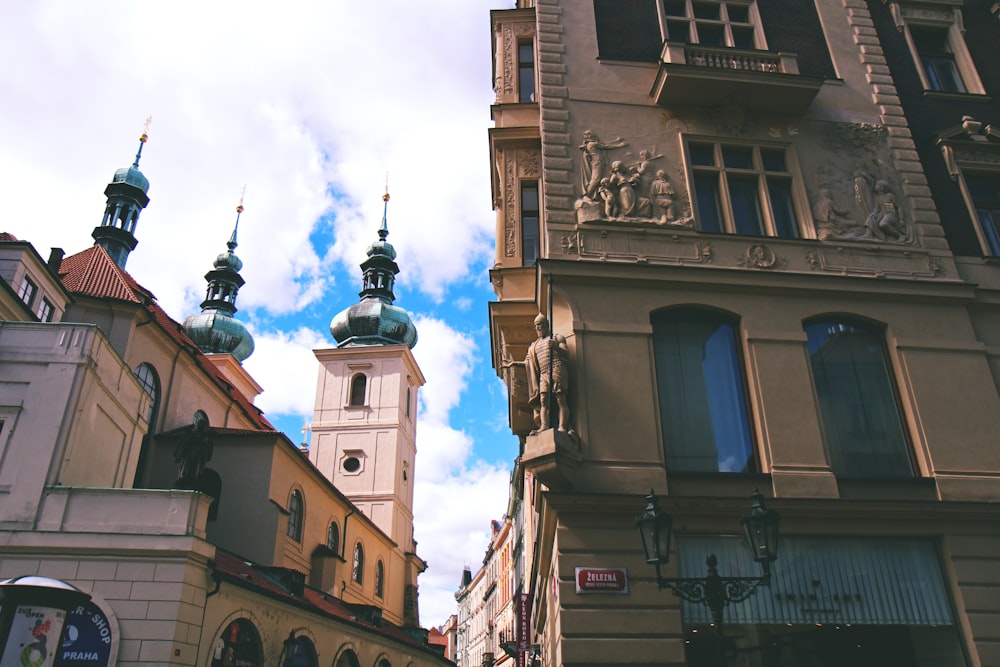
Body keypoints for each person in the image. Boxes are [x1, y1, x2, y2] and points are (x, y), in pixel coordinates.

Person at [525, 313, 571, 433]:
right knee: (543, 401)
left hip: (556, 368)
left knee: (560, 399)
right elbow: (529, 362)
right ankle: (544, 425)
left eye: (539, 324)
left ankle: (562, 426)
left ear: (546, 324)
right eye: (536, 326)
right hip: (544, 374)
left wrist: (557, 347)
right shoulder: (535, 345)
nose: (537, 328)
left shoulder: (556, 337)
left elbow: (566, 353)